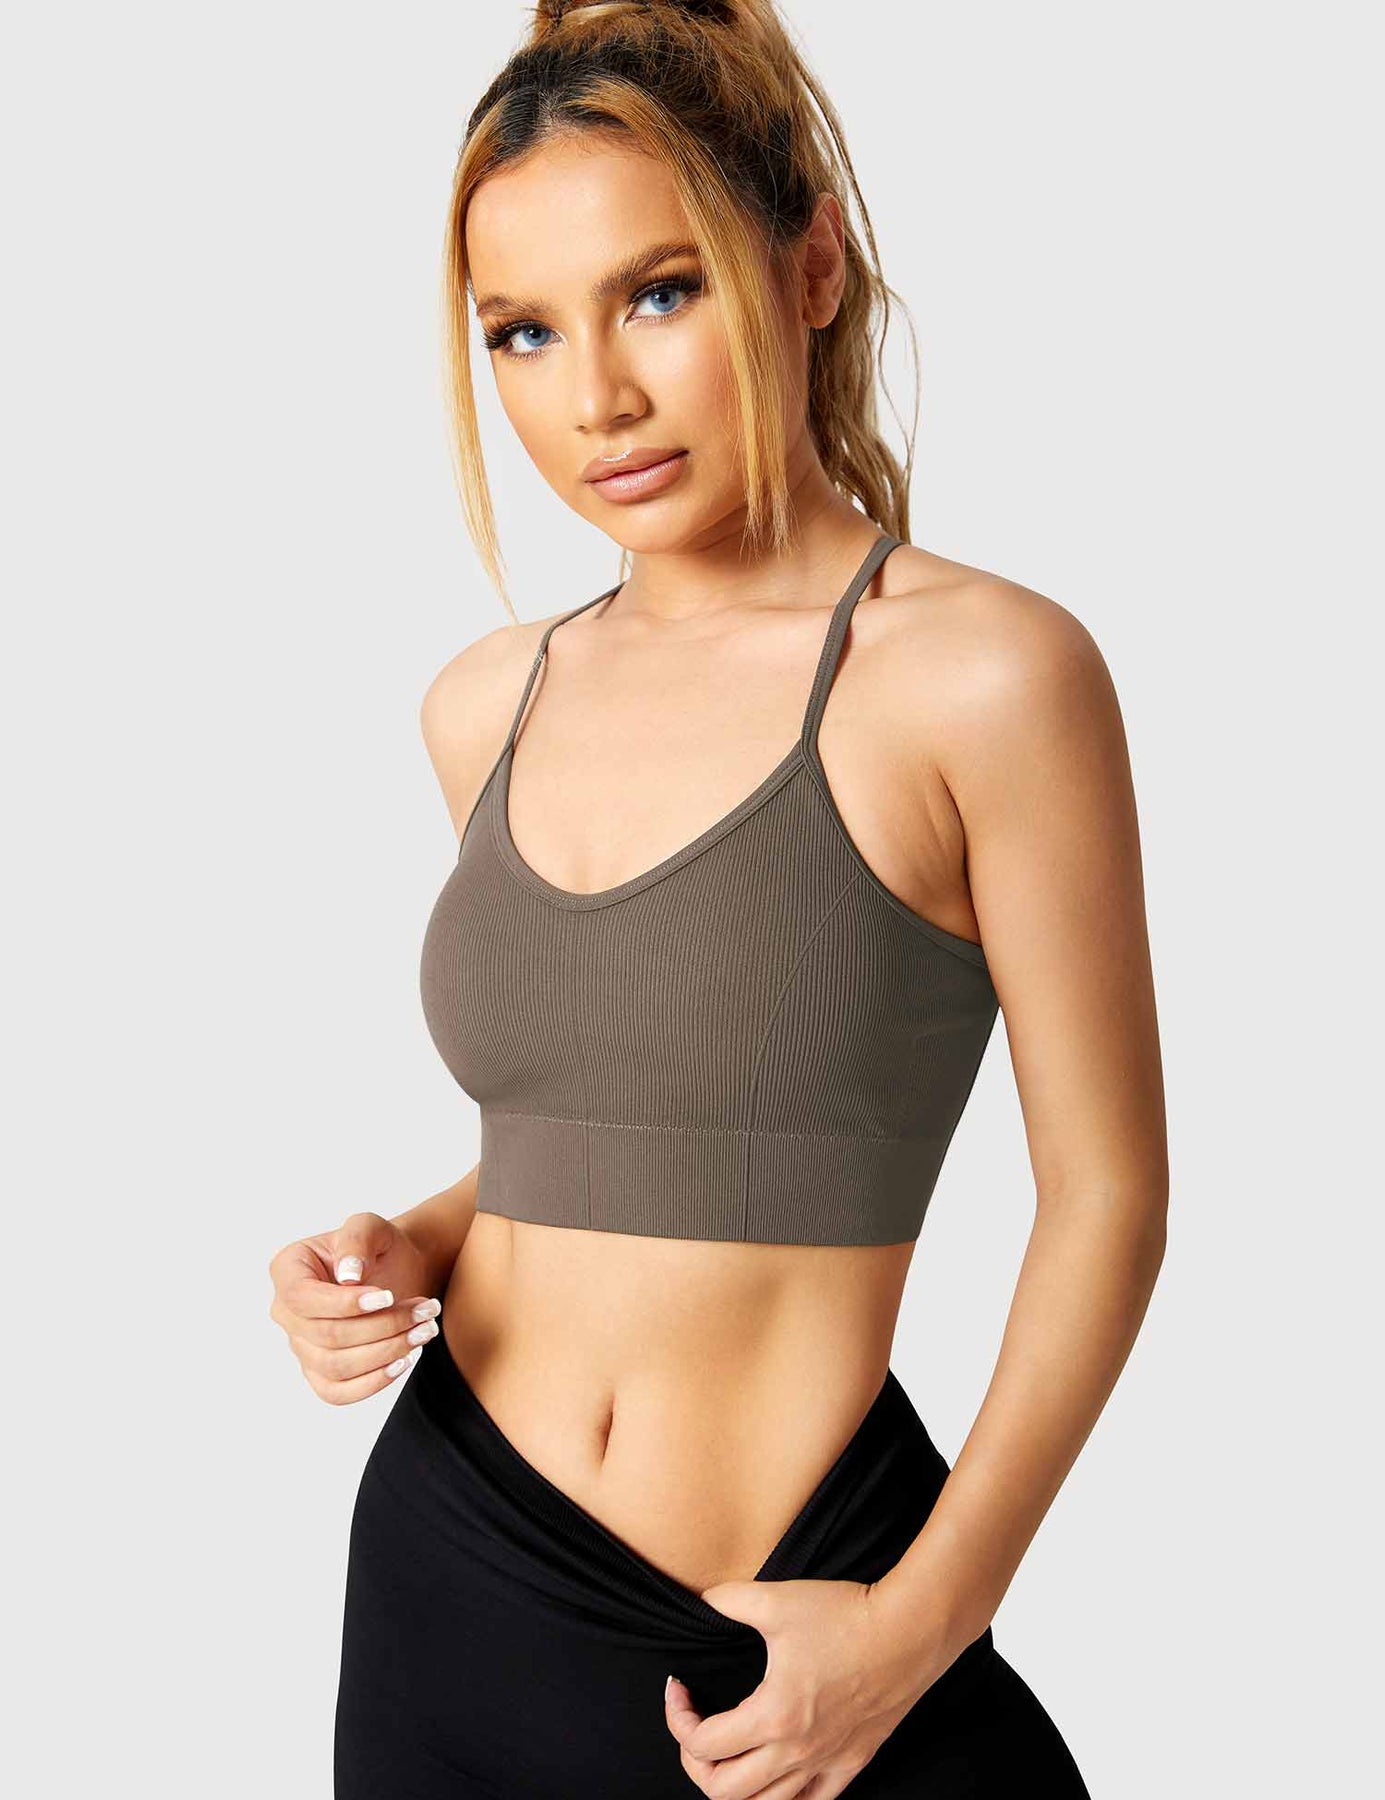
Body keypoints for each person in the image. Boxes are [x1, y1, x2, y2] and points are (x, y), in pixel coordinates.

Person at [267, 2, 1167, 1794]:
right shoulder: (487, 702)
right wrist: (410, 1243)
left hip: (791, 1634)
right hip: (447, 1579)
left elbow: (1107, 1196)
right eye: (523, 331)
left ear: (810, 265)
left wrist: (920, 1627)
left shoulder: (983, 675)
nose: (593, 396)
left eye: (658, 295)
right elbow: (626, 1126)